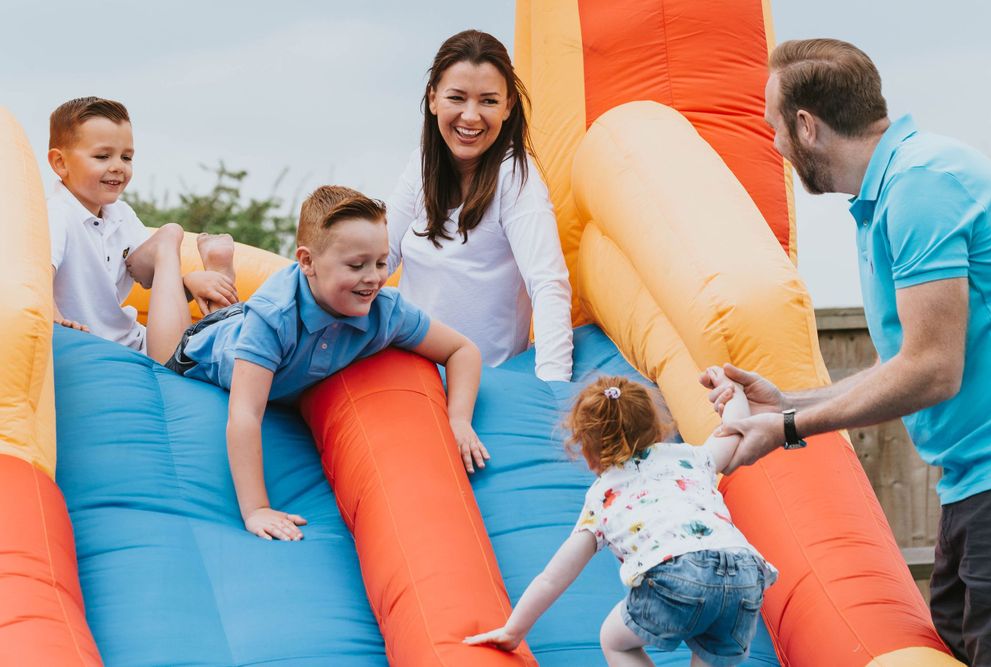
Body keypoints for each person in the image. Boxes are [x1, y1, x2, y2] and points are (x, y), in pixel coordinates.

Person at [702, 38, 991, 665]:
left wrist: (787, 427)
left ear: (806, 126)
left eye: (774, 128)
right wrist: (789, 399)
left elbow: (932, 371)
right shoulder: (893, 190)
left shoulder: (922, 187)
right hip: (970, 488)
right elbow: (907, 366)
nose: (776, 145)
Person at [163, 185, 486, 541]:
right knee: (162, 354)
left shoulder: (386, 310)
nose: (374, 278)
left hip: (266, 336)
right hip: (209, 350)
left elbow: (463, 351)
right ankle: (168, 258)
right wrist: (256, 508)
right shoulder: (273, 319)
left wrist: (458, 420)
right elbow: (244, 415)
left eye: (380, 262)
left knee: (241, 318)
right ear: (306, 262)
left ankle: (220, 271)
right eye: (356, 265)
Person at [465, 373, 777, 666]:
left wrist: (513, 630)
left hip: (679, 573)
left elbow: (553, 576)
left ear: (588, 452)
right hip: (745, 576)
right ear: (656, 428)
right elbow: (735, 428)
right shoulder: (690, 458)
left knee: (615, 641)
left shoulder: (603, 495)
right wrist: (730, 387)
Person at [387, 29, 574, 381]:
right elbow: (382, 255)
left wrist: (553, 388)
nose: (470, 117)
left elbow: (547, 284)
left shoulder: (517, 179)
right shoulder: (422, 164)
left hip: (484, 378)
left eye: (488, 101)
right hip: (412, 371)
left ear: (508, 107)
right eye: (456, 98)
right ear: (433, 100)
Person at [47, 96, 238, 364]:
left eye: (127, 157)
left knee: (185, 357)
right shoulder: (56, 214)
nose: (118, 166)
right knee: (196, 356)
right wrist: (52, 316)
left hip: (137, 342)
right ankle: (211, 292)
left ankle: (211, 281)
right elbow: (35, 276)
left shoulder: (121, 215)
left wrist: (189, 283)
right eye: (102, 156)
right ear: (60, 163)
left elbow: (153, 280)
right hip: (95, 347)